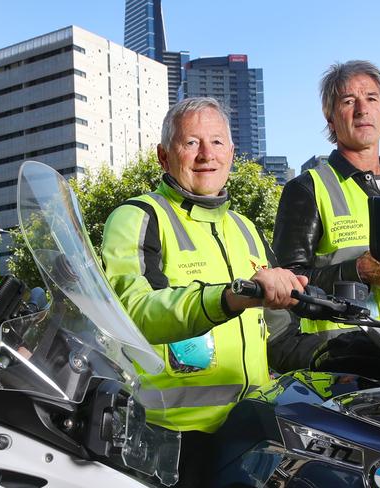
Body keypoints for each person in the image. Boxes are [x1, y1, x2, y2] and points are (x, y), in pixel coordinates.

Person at [101, 97, 307, 487]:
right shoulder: (138, 217)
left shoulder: (246, 228)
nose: (206, 155)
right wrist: (227, 298)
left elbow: (278, 336)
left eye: (216, 142)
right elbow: (134, 313)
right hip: (170, 440)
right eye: (191, 143)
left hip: (252, 434)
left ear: (232, 152)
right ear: (164, 156)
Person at [272, 60, 380, 343]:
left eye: (372, 98)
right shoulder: (307, 189)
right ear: (330, 118)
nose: (362, 109)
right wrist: (356, 270)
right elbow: (286, 285)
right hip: (343, 359)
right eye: (348, 101)